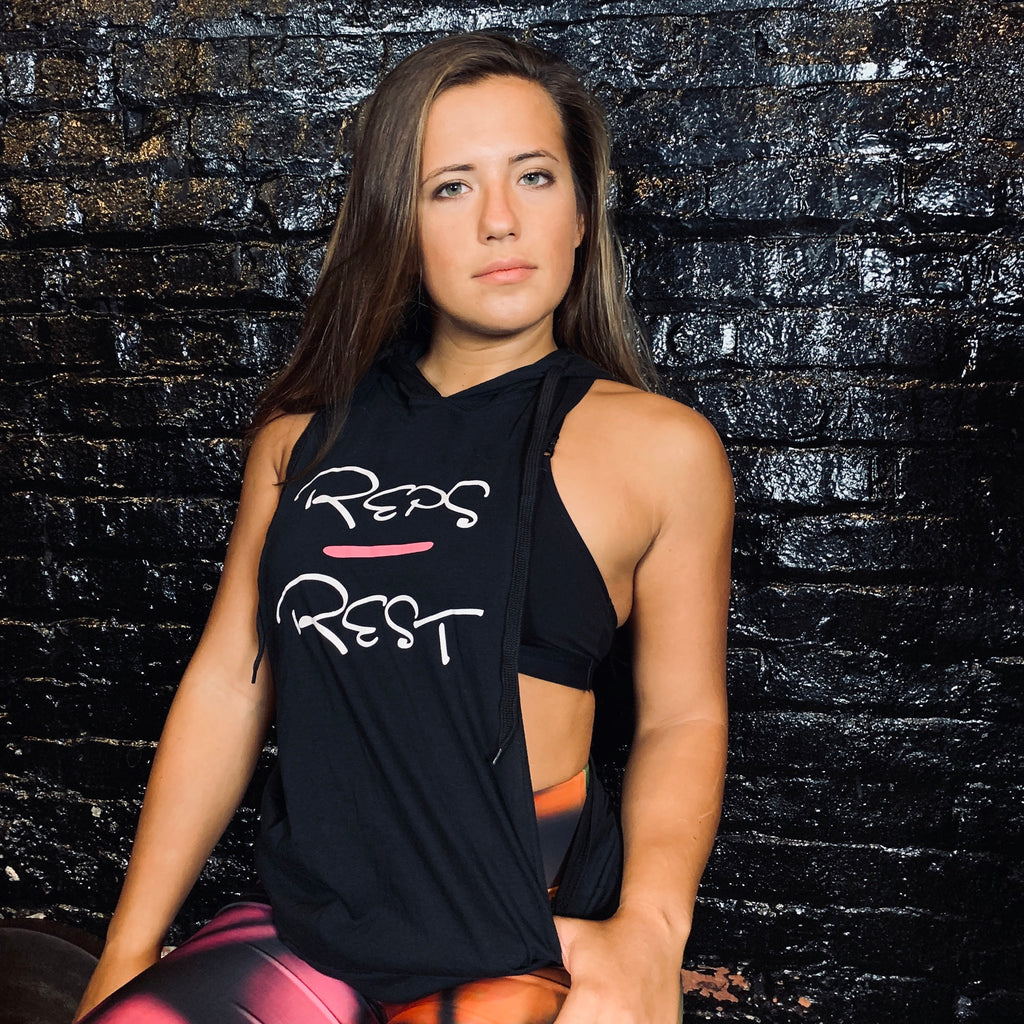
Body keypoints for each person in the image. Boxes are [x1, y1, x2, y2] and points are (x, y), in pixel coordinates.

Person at [72, 30, 732, 1024]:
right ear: (399, 225)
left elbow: (682, 716)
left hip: (521, 927)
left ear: (581, 213)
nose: (501, 221)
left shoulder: (661, 448)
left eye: (535, 176)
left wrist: (651, 929)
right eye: (450, 188)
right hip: (317, 920)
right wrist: (127, 948)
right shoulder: (299, 441)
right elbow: (227, 686)